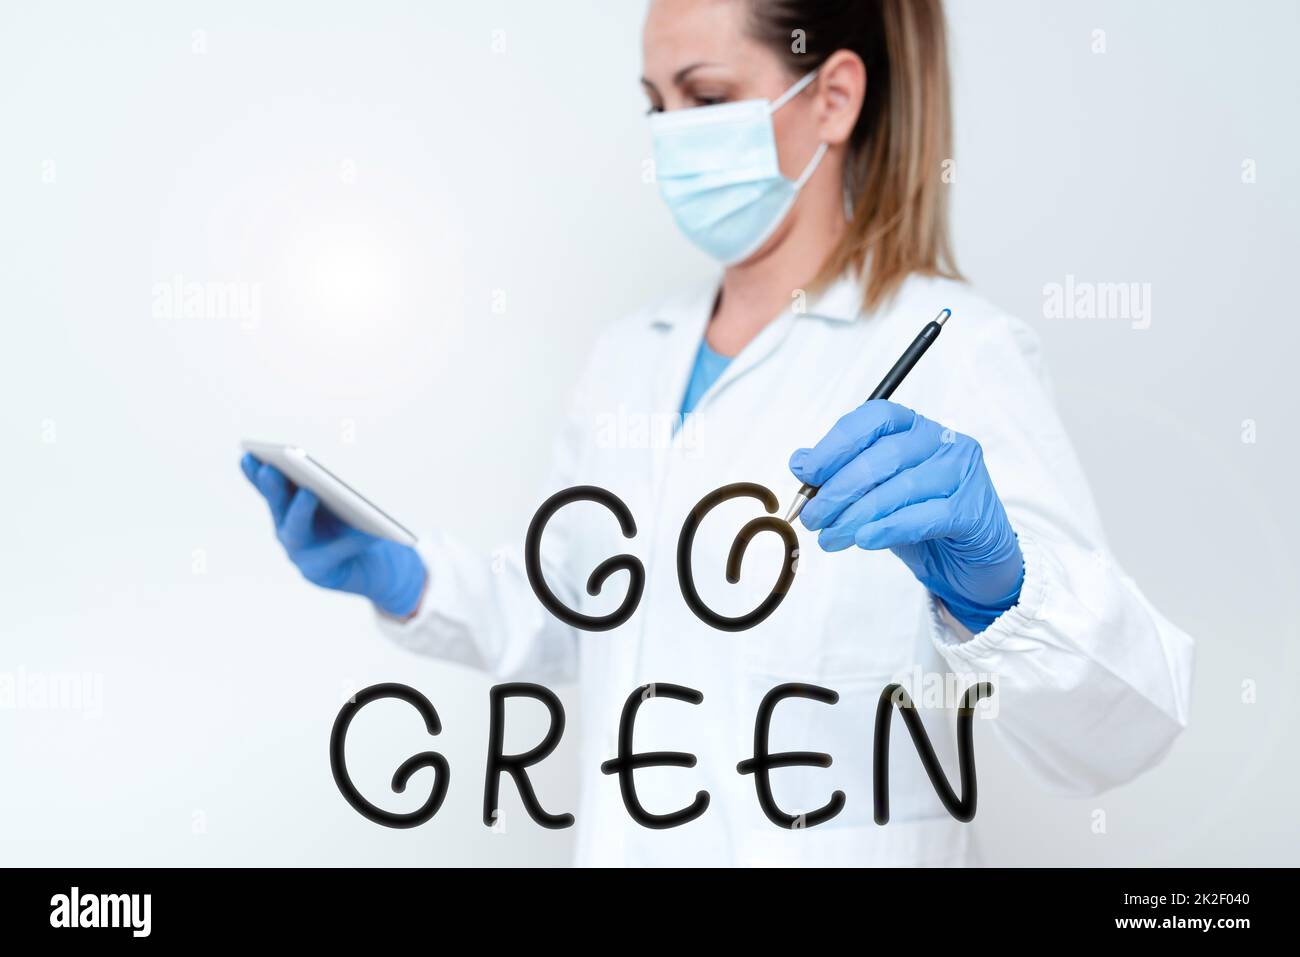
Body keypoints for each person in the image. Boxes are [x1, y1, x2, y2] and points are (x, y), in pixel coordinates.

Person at [241, 0, 1193, 866]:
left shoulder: (957, 350)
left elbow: (1124, 728)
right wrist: (409, 580)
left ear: (834, 98)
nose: (672, 138)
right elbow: (580, 617)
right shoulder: (628, 358)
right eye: (657, 106)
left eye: (706, 96)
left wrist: (1004, 595)